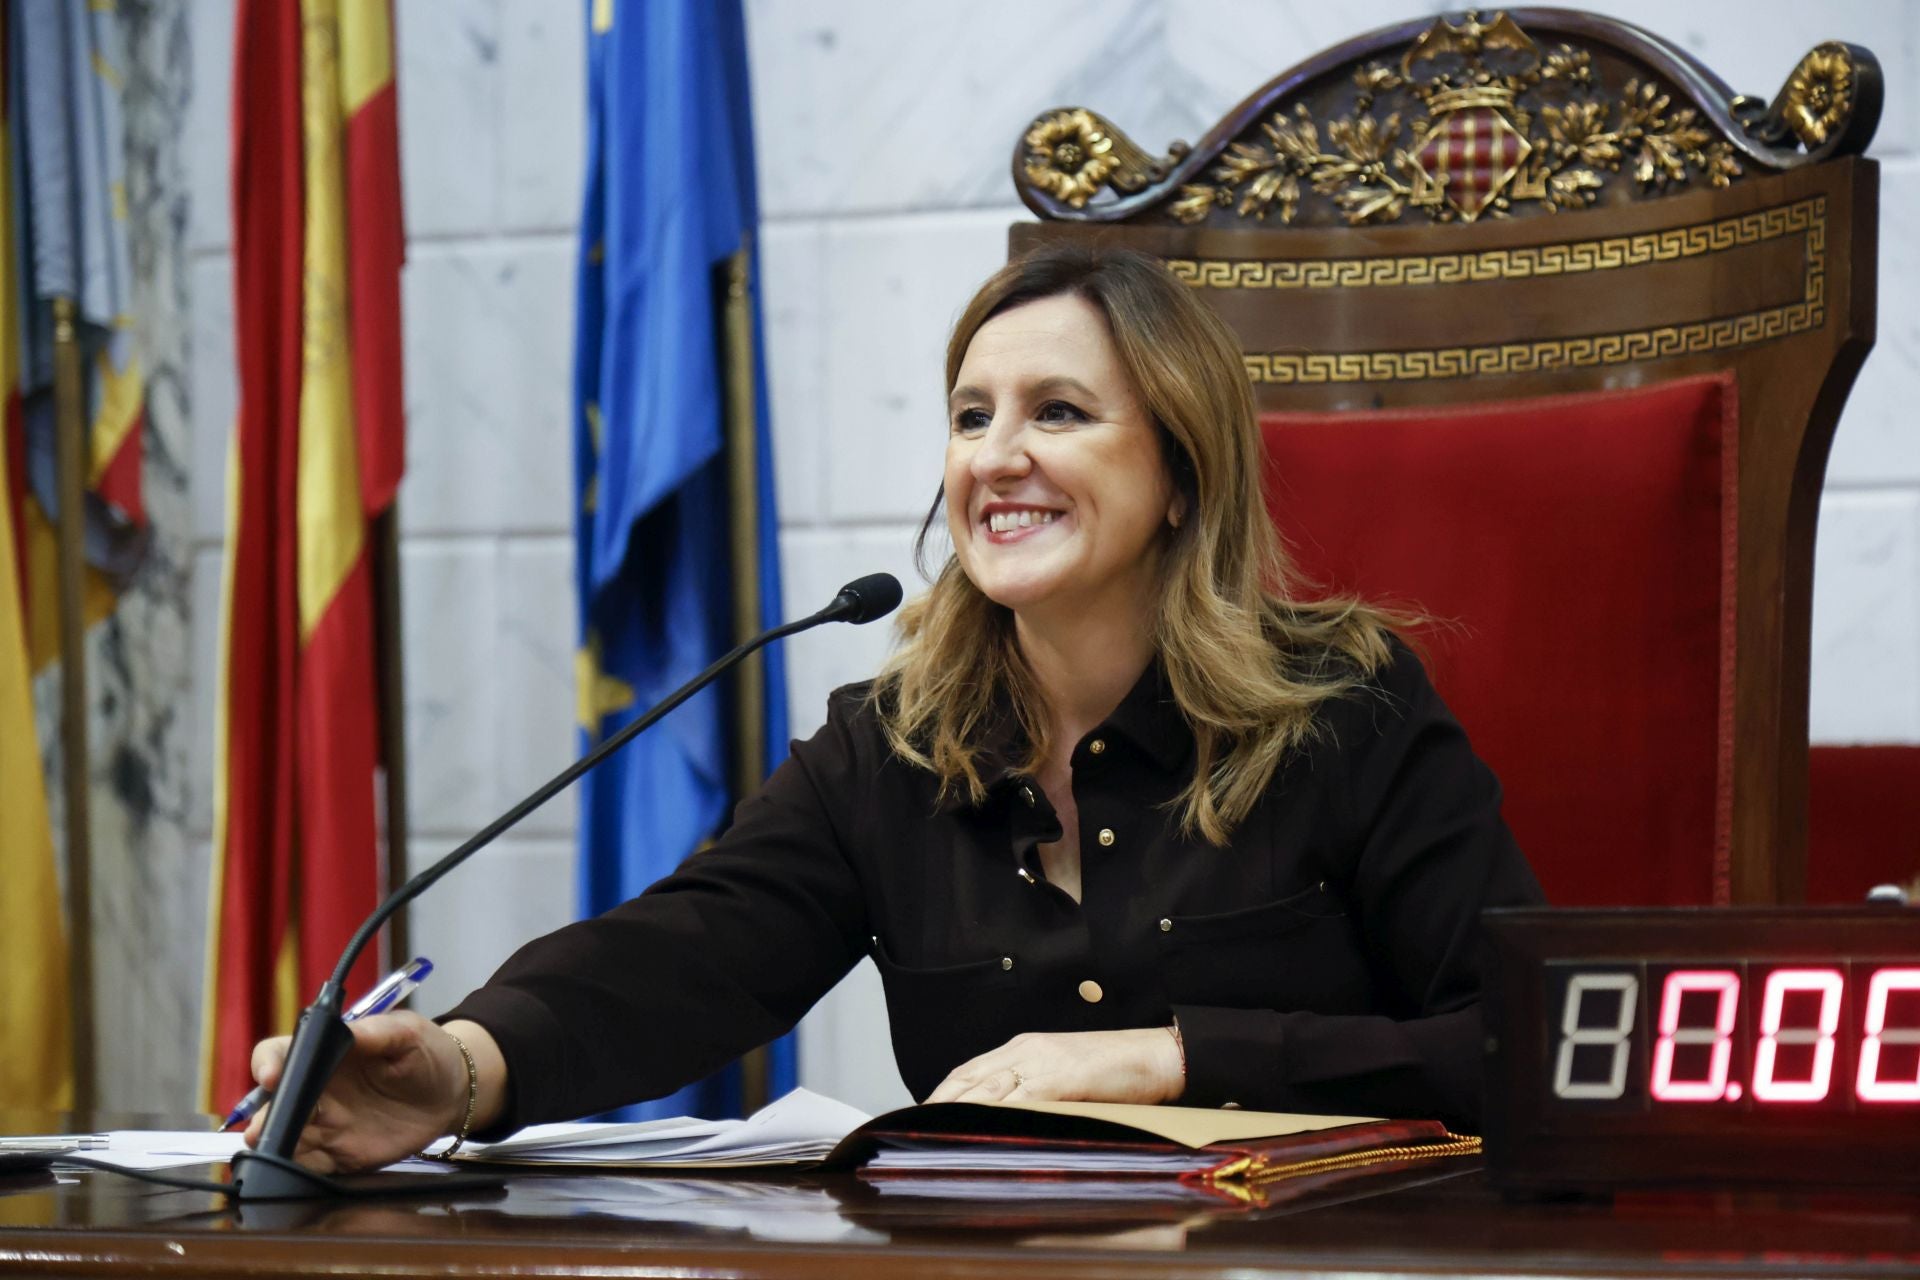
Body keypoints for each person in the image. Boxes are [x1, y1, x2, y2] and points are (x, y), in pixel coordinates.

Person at [245, 245, 1544, 1174]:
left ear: (1185, 475)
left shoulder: (1342, 712)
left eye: (1061, 413)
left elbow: (1520, 1038)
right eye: (971, 415)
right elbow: (690, 954)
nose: (996, 456)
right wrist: (463, 1069)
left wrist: (1178, 1056)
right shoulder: (892, 745)